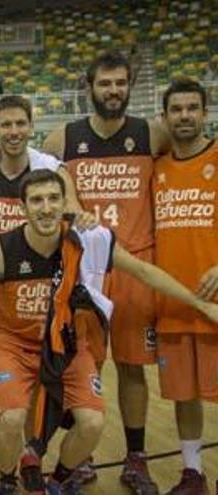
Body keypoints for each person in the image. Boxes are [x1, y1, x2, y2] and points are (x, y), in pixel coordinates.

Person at [0, 169, 218, 494]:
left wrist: (201, 305)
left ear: (64, 203)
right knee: (11, 418)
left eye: (54, 198)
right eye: (37, 200)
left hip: (66, 342)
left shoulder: (88, 241)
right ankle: (8, 481)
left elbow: (144, 272)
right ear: (23, 208)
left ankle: (56, 482)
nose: (46, 207)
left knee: (93, 423)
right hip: (12, 343)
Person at [40, 50, 170, 490]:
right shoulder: (62, 139)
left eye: (120, 83)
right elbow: (30, 176)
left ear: (130, 85)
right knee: (85, 365)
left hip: (135, 264)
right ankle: (82, 456)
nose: (113, 90)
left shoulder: (153, 134)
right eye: (104, 83)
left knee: (133, 367)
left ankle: (136, 457)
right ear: (89, 87)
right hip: (86, 271)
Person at [0, 95, 89, 490]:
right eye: (5, 125)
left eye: (20, 124)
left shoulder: (48, 168)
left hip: (35, 288)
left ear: (31, 126)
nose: (13, 132)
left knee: (35, 380)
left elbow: (71, 210)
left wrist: (82, 214)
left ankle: (31, 452)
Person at [152, 78, 218, 493]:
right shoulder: (156, 168)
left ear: (205, 113)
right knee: (184, 396)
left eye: (192, 108)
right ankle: (192, 472)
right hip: (173, 303)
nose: (185, 116)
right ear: (165, 117)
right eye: (176, 109)